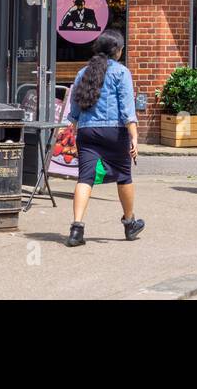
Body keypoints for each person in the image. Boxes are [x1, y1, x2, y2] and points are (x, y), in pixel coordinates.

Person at [63, 30, 143, 246]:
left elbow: (76, 106)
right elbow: (127, 108)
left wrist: (74, 123)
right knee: (124, 175)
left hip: (87, 131)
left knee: (85, 178)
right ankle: (129, 223)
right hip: (114, 132)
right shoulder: (121, 72)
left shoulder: (83, 72)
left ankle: (76, 229)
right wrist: (134, 136)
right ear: (117, 51)